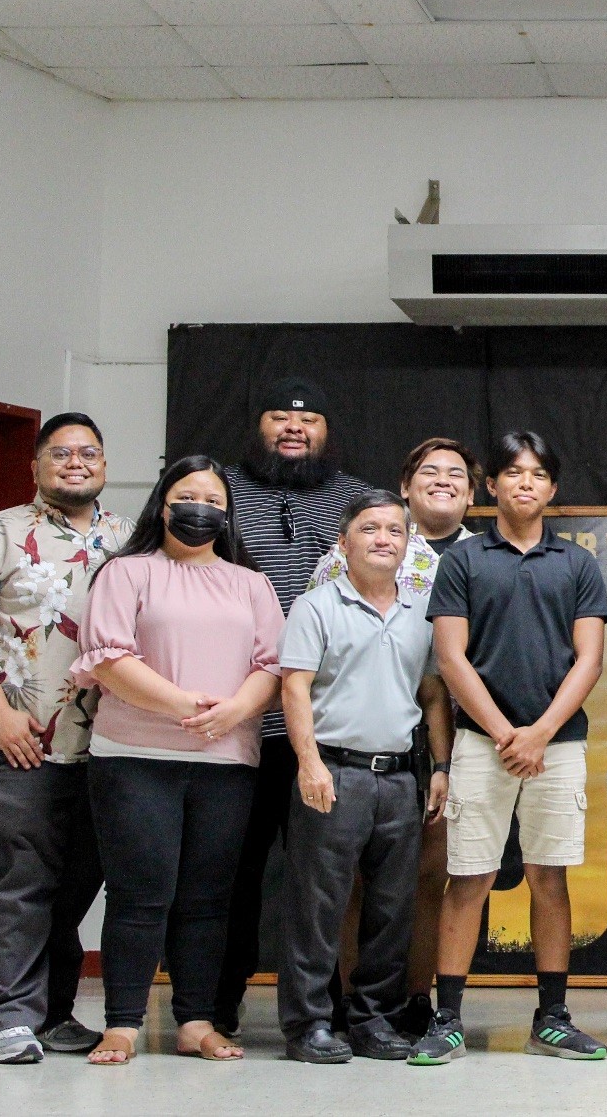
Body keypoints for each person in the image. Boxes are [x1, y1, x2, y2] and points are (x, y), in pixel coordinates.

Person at [0, 413, 130, 1064]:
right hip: (12, 742)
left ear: (104, 464)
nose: (77, 462)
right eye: (61, 452)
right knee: (22, 878)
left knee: (76, 883)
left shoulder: (127, 539)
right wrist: (2, 712)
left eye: (90, 452)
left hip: (100, 747)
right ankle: (10, 1016)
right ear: (37, 467)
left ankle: (53, 1011)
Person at [72, 456, 285, 1065]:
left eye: (214, 500)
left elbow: (271, 665)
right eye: (187, 496)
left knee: (208, 897)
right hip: (135, 758)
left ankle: (196, 1020)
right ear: (163, 505)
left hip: (228, 760)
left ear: (227, 513)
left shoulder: (252, 583)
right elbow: (108, 657)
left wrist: (234, 712)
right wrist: (186, 705)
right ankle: (122, 1023)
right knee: (140, 894)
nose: (201, 509)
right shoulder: (127, 572)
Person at [411, 432, 607, 1065]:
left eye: (538, 474)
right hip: (480, 744)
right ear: (490, 486)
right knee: (466, 879)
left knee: (550, 878)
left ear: (552, 488)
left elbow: (590, 659)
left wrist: (541, 733)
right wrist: (504, 733)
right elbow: (450, 657)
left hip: (557, 745)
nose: (525, 483)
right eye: (512, 473)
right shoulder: (465, 561)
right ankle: (448, 1020)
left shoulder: (576, 564)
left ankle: (551, 1017)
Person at [215, 378, 373, 1036]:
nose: (292, 428)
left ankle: (323, 1009)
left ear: (327, 431)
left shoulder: (357, 499)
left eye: (306, 419)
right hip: (235, 720)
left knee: (324, 879)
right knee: (232, 871)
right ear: (257, 425)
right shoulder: (219, 488)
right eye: (278, 415)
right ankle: (215, 1001)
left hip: (322, 725)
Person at [306, 437, 477, 1033]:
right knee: (357, 881)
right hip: (368, 741)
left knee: (428, 880)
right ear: (404, 486)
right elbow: (314, 651)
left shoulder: (485, 555)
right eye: (428, 471)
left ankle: (410, 1000)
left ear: (473, 492)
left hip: (464, 736)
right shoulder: (362, 548)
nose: (442, 481)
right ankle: (350, 1003)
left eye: (456, 474)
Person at [278, 492, 452, 1063]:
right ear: (343, 542)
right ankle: (308, 1024)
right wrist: (309, 764)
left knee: (392, 908)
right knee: (317, 905)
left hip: (400, 779)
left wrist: (441, 766)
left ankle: (373, 1019)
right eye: (369, 528)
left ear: (407, 546)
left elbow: (431, 695)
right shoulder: (316, 606)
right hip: (333, 773)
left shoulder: (420, 613)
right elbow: (295, 688)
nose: (383, 538)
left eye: (394, 531)